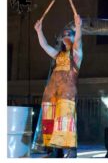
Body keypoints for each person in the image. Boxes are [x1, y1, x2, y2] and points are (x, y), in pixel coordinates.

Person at [33, 14, 83, 158]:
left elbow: (78, 41)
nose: (65, 36)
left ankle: (69, 152)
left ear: (74, 38)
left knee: (65, 122)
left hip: (66, 95)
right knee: (50, 121)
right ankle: (54, 151)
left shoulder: (76, 54)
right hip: (52, 94)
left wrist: (78, 27)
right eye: (64, 35)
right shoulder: (58, 55)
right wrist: (39, 31)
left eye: (69, 35)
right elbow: (45, 46)